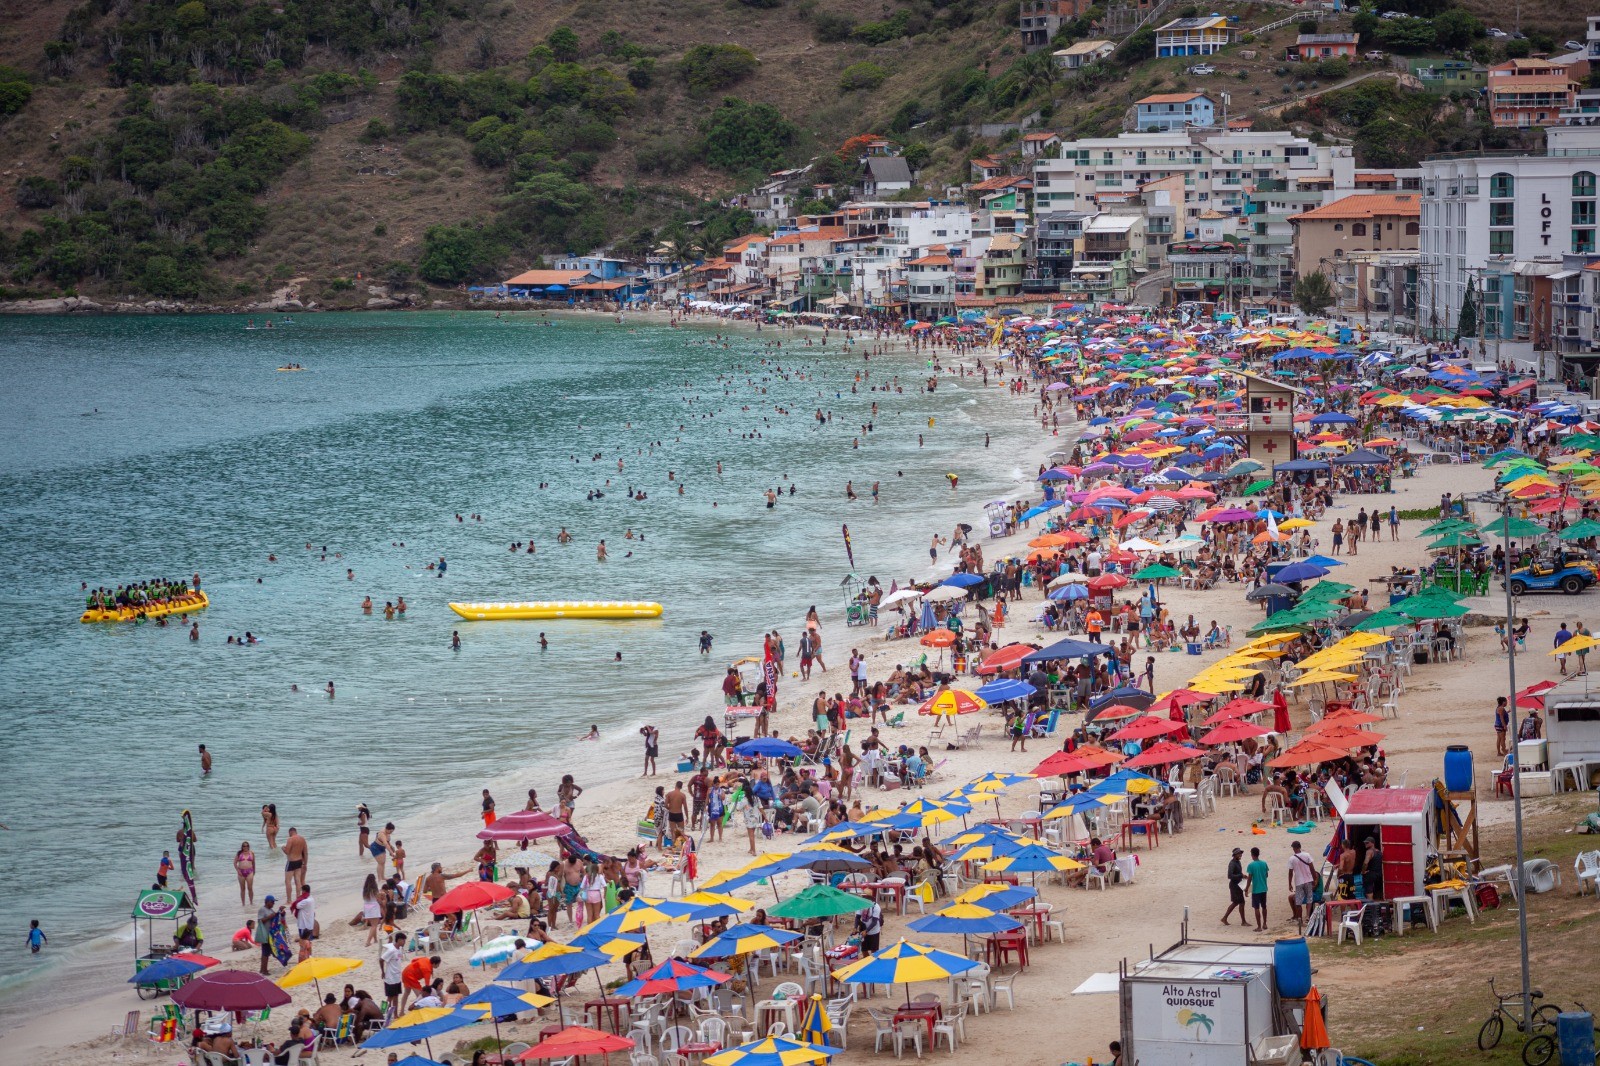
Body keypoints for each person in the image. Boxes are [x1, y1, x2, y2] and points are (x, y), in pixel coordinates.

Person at [1288, 841, 1319, 935]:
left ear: (1294, 848)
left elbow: (1290, 872)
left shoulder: (1292, 858)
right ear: (1300, 847)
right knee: (1309, 898)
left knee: (1298, 901)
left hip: (1299, 882)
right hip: (1308, 880)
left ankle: (1300, 919)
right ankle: (1307, 916)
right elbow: (1312, 868)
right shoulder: (1307, 855)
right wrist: (1314, 879)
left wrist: (1289, 883)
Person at [380, 933, 406, 1017]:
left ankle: (395, 1015)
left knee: (396, 996)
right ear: (399, 940)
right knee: (389, 998)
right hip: (390, 977)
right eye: (403, 940)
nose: (404, 942)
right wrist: (383, 971)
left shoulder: (400, 949)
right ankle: (382, 1014)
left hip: (397, 977)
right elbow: (381, 959)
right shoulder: (391, 950)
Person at [1245, 846, 1270, 931]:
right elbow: (1266, 875)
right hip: (1264, 888)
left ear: (1252, 854)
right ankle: (1265, 924)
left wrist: (1247, 889)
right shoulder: (1264, 863)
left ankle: (1259, 927)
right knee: (1264, 906)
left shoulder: (1251, 865)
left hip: (1256, 890)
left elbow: (1249, 878)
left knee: (1256, 908)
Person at [1222, 847, 1247, 927]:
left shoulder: (1238, 862)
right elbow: (1230, 876)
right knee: (1239, 903)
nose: (1240, 855)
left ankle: (1225, 918)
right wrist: (1240, 875)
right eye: (1239, 854)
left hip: (1238, 885)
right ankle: (1242, 921)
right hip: (1234, 886)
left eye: (1241, 853)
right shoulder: (1232, 863)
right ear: (1235, 854)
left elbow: (1238, 873)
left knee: (1237, 903)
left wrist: (1243, 875)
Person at [282, 827, 308, 900]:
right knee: (298, 880)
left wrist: (283, 848)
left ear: (290, 832)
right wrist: (305, 864)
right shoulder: (302, 839)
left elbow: (287, 852)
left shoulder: (290, 839)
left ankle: (289, 900)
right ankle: (298, 897)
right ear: (296, 832)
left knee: (287, 881)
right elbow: (305, 853)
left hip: (291, 862)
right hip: (299, 861)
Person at [235, 841, 256, 906]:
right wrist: (238, 871)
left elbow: (253, 863)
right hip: (241, 872)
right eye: (244, 846)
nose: (245, 847)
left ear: (248, 846)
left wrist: (254, 871)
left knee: (250, 888)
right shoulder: (239, 853)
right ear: (242, 847)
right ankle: (243, 904)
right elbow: (235, 863)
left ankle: (251, 902)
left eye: (247, 846)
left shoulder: (251, 853)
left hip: (250, 872)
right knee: (242, 889)